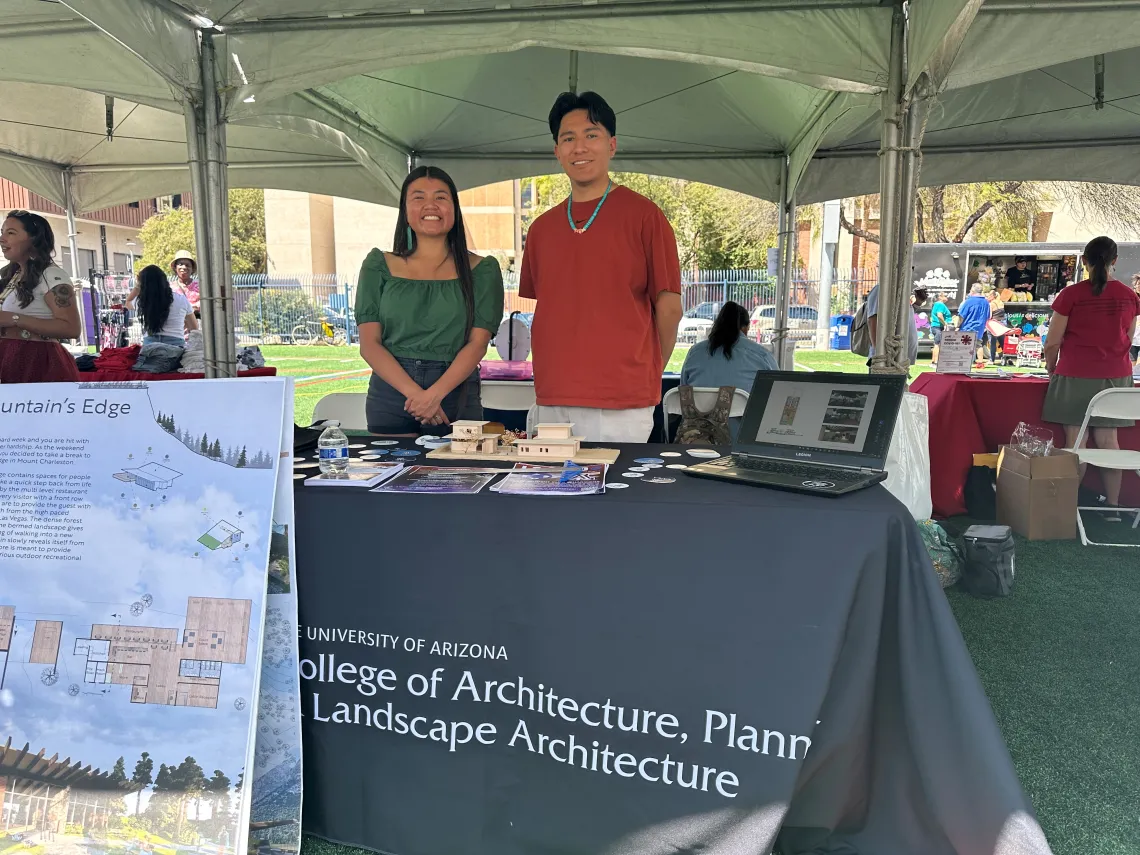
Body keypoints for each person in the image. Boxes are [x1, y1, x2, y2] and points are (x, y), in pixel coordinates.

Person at [520, 91, 682, 442]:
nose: (579, 147)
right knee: (550, 492)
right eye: (568, 138)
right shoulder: (540, 229)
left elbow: (669, 308)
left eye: (591, 135)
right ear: (557, 151)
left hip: (621, 399)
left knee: (615, 495)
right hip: (553, 393)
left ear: (611, 144)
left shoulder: (645, 216)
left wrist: (650, 371)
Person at [355, 165, 504, 435]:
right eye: (418, 197)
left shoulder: (483, 270)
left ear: (454, 209)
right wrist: (418, 396)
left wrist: (435, 395)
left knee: (459, 477)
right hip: (391, 395)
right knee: (388, 476)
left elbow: (478, 343)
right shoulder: (378, 265)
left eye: (440, 197)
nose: (430, 205)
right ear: (405, 211)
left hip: (455, 395)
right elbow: (369, 344)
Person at [1043, 236, 1140, 520]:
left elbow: (1052, 342)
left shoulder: (1071, 295)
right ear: (1115, 262)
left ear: (1084, 261)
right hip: (1115, 378)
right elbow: (1127, 337)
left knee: (1076, 443)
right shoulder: (1129, 296)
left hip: (1074, 375)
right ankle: (1112, 508)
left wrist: (1051, 366)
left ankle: (1068, 508)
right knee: (1110, 442)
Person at [0, 210, 81, 383]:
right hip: (12, 359)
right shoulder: (14, 275)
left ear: (33, 239)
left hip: (36, 362)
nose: (2, 239)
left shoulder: (51, 275)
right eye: (2, 232)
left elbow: (71, 328)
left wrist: (14, 319)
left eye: (11, 233)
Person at [680, 302, 777, 438]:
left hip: (696, 437)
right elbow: (775, 396)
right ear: (746, 328)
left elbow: (684, 389)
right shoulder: (761, 355)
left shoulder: (695, 352)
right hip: (743, 437)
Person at [134, 264, 198, 345]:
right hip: (176, 345)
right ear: (165, 280)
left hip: (150, 346)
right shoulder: (181, 299)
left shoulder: (141, 301)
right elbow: (194, 327)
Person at [864, 283, 918, 367]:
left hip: (900, 359)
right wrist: (879, 352)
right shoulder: (881, 289)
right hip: (885, 359)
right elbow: (872, 320)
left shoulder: (902, 291)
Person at [955, 283, 992, 360]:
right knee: (978, 345)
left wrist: (957, 326)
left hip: (967, 327)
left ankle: (965, 361)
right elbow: (988, 316)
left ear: (972, 290)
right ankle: (980, 362)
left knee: (964, 345)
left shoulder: (968, 301)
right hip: (980, 328)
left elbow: (961, 316)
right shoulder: (986, 302)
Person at [985, 287, 1007, 363]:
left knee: (992, 342)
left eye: (988, 296)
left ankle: (992, 359)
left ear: (992, 296)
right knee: (1002, 342)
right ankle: (1006, 358)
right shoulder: (1001, 302)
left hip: (994, 324)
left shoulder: (991, 304)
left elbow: (990, 316)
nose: (987, 298)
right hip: (1002, 324)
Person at [929, 292, 952, 366]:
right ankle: (936, 362)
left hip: (935, 326)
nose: (947, 297)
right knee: (938, 344)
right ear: (940, 297)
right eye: (945, 296)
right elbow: (939, 315)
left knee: (936, 344)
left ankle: (933, 361)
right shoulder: (940, 304)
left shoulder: (937, 304)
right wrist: (945, 323)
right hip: (938, 326)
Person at [1132, 273, 1140, 365]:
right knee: (1131, 367)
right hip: (1133, 340)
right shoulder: (1132, 299)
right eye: (1138, 284)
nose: (1138, 286)